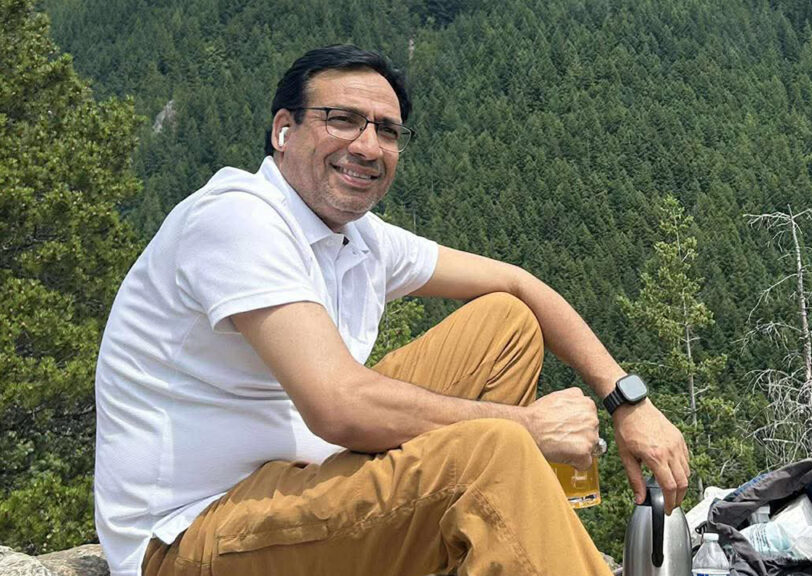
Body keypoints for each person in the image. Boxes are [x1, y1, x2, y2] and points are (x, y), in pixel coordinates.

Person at [94, 44, 690, 576]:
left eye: (386, 130)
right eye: (342, 119)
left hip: (304, 480)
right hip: (191, 535)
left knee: (506, 323)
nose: (367, 145)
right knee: (493, 454)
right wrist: (529, 428)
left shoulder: (359, 237)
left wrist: (628, 402)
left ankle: (487, 546)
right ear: (283, 130)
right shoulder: (237, 218)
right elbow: (339, 406)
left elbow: (518, 283)